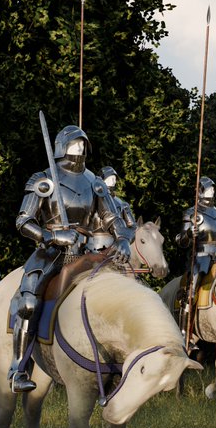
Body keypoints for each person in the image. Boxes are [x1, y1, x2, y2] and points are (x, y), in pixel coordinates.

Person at [10, 125, 129, 392]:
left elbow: (112, 218)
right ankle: (19, 367)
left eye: (83, 145)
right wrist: (51, 237)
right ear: (62, 146)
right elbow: (23, 221)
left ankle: (118, 364)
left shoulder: (95, 183)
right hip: (50, 251)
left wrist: (122, 238)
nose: (79, 149)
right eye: (74, 144)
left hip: (87, 251)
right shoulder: (44, 179)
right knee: (29, 300)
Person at [175, 176, 216, 327]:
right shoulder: (192, 212)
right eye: (208, 189)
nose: (212, 192)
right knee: (191, 292)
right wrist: (189, 234)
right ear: (200, 191)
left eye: (213, 189)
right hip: (200, 257)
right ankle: (184, 331)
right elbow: (180, 241)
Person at [86, 166, 137, 253]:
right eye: (110, 178)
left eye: (115, 178)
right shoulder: (91, 199)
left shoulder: (122, 203)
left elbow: (132, 227)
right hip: (91, 245)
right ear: (102, 179)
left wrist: (124, 240)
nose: (114, 181)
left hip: (116, 245)